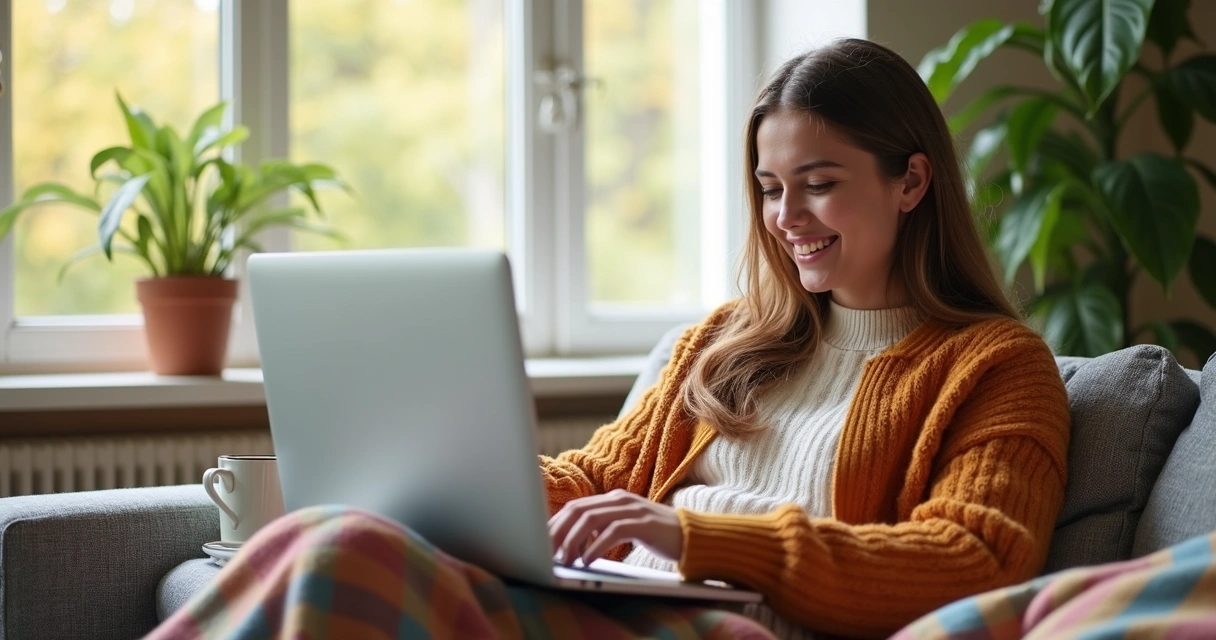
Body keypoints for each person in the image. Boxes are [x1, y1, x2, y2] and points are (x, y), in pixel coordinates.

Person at [149, 38, 1071, 640]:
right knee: (338, 539)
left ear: (911, 182)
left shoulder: (994, 366)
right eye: (768, 185)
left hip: (745, 627)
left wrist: (694, 534)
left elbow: (973, 560)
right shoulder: (724, 342)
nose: (786, 215)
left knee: (347, 561)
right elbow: (597, 478)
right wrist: (425, 481)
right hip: (630, 604)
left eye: (818, 182)